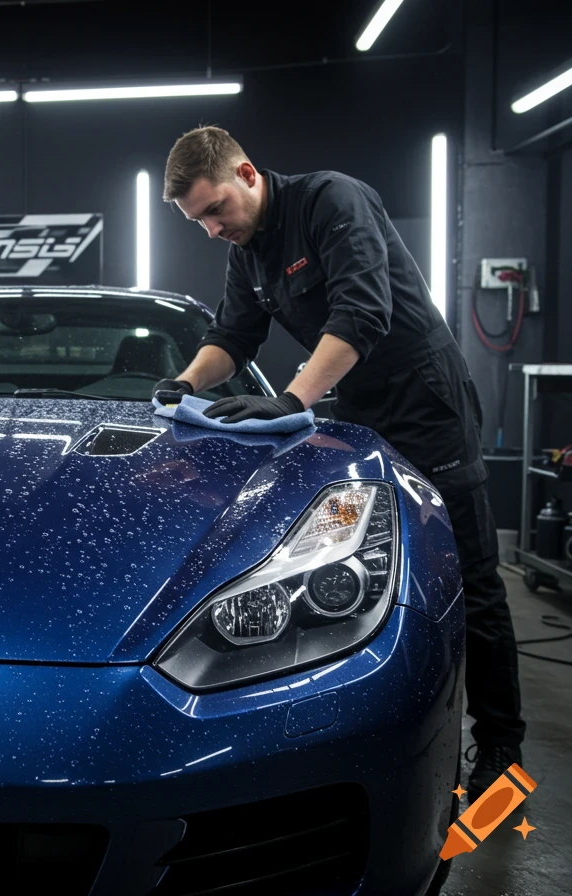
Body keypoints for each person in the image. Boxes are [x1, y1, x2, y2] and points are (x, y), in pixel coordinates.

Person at [154, 126, 524, 800]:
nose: (210, 230)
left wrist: (294, 398)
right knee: (373, 564)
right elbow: (233, 336)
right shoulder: (249, 247)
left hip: (424, 396)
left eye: (214, 212)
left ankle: (502, 742)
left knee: (470, 571)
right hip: (356, 404)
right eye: (197, 221)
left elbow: (363, 312)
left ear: (247, 174)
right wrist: (183, 385)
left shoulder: (333, 200)